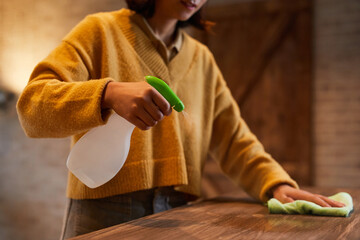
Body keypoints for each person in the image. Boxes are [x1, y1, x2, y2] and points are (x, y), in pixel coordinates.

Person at [16, 0, 344, 239]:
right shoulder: (99, 31)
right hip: (104, 211)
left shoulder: (202, 59)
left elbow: (235, 139)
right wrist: (108, 93)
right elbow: (32, 106)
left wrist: (277, 184)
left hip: (182, 212)